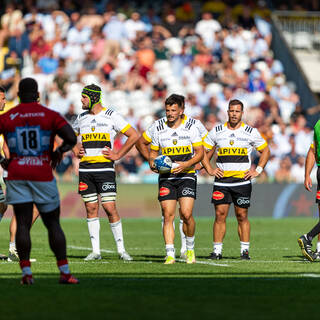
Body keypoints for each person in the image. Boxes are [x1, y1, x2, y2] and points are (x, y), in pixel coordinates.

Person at [0, 77, 78, 284]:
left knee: (23, 224)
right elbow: (71, 138)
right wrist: (58, 152)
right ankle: (64, 272)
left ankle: (26, 274)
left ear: (17, 96)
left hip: (17, 174)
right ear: (37, 95)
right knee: (53, 224)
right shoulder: (49, 115)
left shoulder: (8, 116)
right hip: (42, 172)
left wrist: (3, 160)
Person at [136, 94, 208, 259]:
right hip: (166, 178)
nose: (169, 113)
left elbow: (201, 152)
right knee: (167, 214)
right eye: (168, 110)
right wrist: (152, 163)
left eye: (173, 110)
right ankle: (170, 253)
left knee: (186, 214)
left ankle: (189, 248)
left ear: (181, 110)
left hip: (187, 175)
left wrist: (189, 164)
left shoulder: (191, 127)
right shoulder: (159, 128)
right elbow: (152, 152)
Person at [73, 84, 138, 261]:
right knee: (91, 208)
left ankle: (121, 250)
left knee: (109, 207)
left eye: (84, 97)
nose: (81, 100)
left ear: (93, 98)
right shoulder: (81, 117)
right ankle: (96, 251)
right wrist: (74, 148)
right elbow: (69, 136)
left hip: (105, 169)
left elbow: (134, 135)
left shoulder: (111, 116)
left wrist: (118, 154)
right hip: (86, 169)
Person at [202, 99, 270, 260]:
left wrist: (258, 170)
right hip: (222, 181)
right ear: (227, 112)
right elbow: (203, 152)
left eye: (237, 111)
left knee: (242, 215)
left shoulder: (250, 132)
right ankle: (217, 251)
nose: (234, 114)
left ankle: (244, 251)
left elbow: (266, 151)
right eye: (231, 111)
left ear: (242, 113)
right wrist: (210, 169)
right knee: (220, 214)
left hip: (242, 182)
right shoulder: (216, 130)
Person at [298, 121, 320, 262]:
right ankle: (308, 238)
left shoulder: (318, 124)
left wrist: (307, 175)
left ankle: (318, 249)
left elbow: (313, 149)